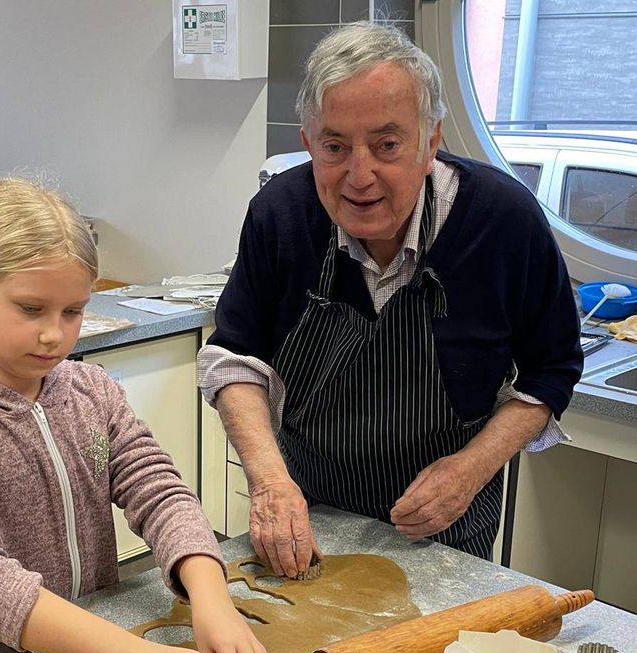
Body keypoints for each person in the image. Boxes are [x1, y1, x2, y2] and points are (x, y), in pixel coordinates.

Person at [198, 23, 582, 575]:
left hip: (448, 532)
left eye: (386, 145)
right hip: (309, 521)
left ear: (430, 143)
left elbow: (551, 370)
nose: (359, 175)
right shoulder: (280, 216)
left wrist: (471, 469)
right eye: (335, 147)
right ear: (308, 144)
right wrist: (269, 480)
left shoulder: (503, 222)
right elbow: (235, 359)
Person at [0, 177, 268, 653]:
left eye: (72, 312)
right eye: (31, 309)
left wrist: (212, 598)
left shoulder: (91, 391)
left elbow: (159, 492)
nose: (55, 336)